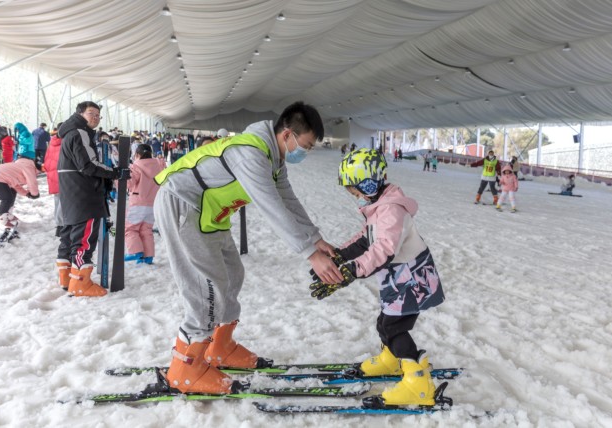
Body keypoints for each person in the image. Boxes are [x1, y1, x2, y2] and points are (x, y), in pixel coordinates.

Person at [153, 101, 342, 394]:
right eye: (306, 145)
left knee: (233, 274)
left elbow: (288, 200)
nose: (306, 152)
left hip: (210, 214)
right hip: (184, 205)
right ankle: (184, 368)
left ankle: (220, 346)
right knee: (207, 288)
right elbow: (272, 209)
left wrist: (316, 238)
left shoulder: (273, 158)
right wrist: (310, 254)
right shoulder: (252, 154)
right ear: (287, 134)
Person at [309, 148, 445, 407]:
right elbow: (365, 239)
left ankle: (418, 384)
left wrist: (352, 271)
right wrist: (339, 256)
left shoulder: (391, 210)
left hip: (412, 279)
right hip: (400, 277)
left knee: (394, 327)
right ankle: (392, 359)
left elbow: (383, 251)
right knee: (385, 323)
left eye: (355, 190)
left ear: (368, 183)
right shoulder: (379, 206)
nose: (355, 196)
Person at [56, 101, 130, 297]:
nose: (95, 118)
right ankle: (81, 283)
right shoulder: (79, 133)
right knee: (84, 240)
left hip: (71, 193)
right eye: (91, 113)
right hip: (84, 194)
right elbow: (88, 165)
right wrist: (116, 173)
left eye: (98, 115)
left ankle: (67, 277)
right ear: (80, 114)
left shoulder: (70, 133)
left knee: (69, 237)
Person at [124, 144, 165, 264]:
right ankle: (148, 257)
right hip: (153, 204)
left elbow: (129, 184)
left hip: (138, 203)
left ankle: (135, 252)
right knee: (146, 230)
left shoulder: (136, 166)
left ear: (137, 155)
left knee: (130, 229)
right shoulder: (159, 165)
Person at [0, 155, 41, 231]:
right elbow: (32, 182)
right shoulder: (29, 167)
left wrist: (27, 193)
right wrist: (34, 194)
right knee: (7, 199)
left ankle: (2, 214)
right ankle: (3, 221)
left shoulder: (21, 165)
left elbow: (15, 185)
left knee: (12, 193)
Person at [43, 123, 64, 239]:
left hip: (52, 173)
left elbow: (46, 159)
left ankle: (58, 224)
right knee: (63, 200)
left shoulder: (53, 142)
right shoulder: (65, 142)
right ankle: (61, 226)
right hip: (61, 174)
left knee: (57, 199)